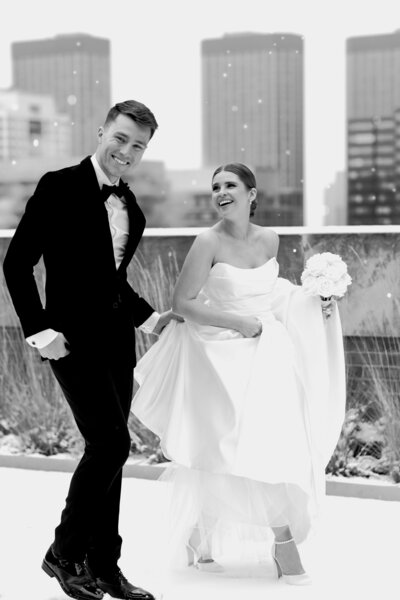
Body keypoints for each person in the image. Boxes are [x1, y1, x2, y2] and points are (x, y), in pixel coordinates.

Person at [131, 163, 346, 586]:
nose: (221, 192)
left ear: (251, 193)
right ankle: (265, 542)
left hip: (269, 352)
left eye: (230, 185)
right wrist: (237, 324)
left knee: (271, 442)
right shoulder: (206, 241)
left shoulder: (270, 238)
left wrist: (316, 298)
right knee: (227, 445)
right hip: (218, 353)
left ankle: (226, 537)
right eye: (215, 187)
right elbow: (184, 301)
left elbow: (273, 293)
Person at [3, 100, 178, 600]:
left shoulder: (132, 207)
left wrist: (148, 318)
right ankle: (63, 552)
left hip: (117, 340)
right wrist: (40, 331)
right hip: (70, 343)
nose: (126, 151)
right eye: (120, 138)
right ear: (102, 131)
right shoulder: (59, 185)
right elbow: (17, 265)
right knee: (111, 445)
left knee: (111, 453)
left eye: (138, 145)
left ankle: (103, 567)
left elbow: (112, 281)